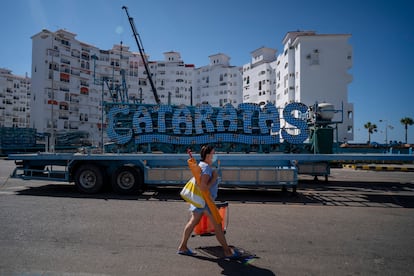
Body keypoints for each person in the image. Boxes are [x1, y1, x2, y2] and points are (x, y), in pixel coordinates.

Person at [177, 145, 238, 258]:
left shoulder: (202, 165)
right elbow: (203, 187)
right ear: (208, 155)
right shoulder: (207, 169)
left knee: (192, 222)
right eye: (213, 153)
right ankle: (227, 251)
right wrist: (214, 178)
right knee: (218, 226)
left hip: (200, 201)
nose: (215, 156)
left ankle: (182, 246)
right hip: (206, 202)